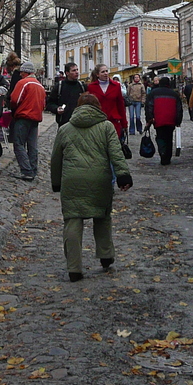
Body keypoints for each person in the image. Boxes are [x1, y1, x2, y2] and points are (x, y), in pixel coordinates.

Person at [50, 94, 132, 282]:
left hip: (72, 180)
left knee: (73, 221)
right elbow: (116, 153)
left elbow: (56, 159)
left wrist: (56, 182)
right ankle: (105, 255)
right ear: (97, 107)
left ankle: (74, 268)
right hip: (99, 179)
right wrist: (123, 175)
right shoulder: (106, 127)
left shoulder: (65, 129)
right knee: (102, 217)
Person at [9, 61, 45, 181]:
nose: (20, 75)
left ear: (25, 72)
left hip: (23, 116)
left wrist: (12, 108)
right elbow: (43, 104)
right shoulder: (40, 86)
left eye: (21, 72)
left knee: (19, 144)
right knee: (32, 145)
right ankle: (33, 169)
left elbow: (14, 99)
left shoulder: (23, 83)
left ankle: (26, 170)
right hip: (36, 118)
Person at [145, 76, 184, 165]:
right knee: (169, 138)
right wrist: (178, 121)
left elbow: (149, 107)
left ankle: (162, 152)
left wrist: (150, 118)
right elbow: (179, 109)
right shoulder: (174, 94)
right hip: (171, 120)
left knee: (160, 136)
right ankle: (168, 157)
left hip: (158, 120)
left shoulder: (153, 93)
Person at [86, 64, 128, 142]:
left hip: (113, 121)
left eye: (106, 71)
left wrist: (124, 124)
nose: (105, 73)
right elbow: (90, 106)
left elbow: (120, 105)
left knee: (113, 146)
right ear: (97, 74)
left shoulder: (116, 86)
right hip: (98, 122)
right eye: (103, 72)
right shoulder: (91, 87)